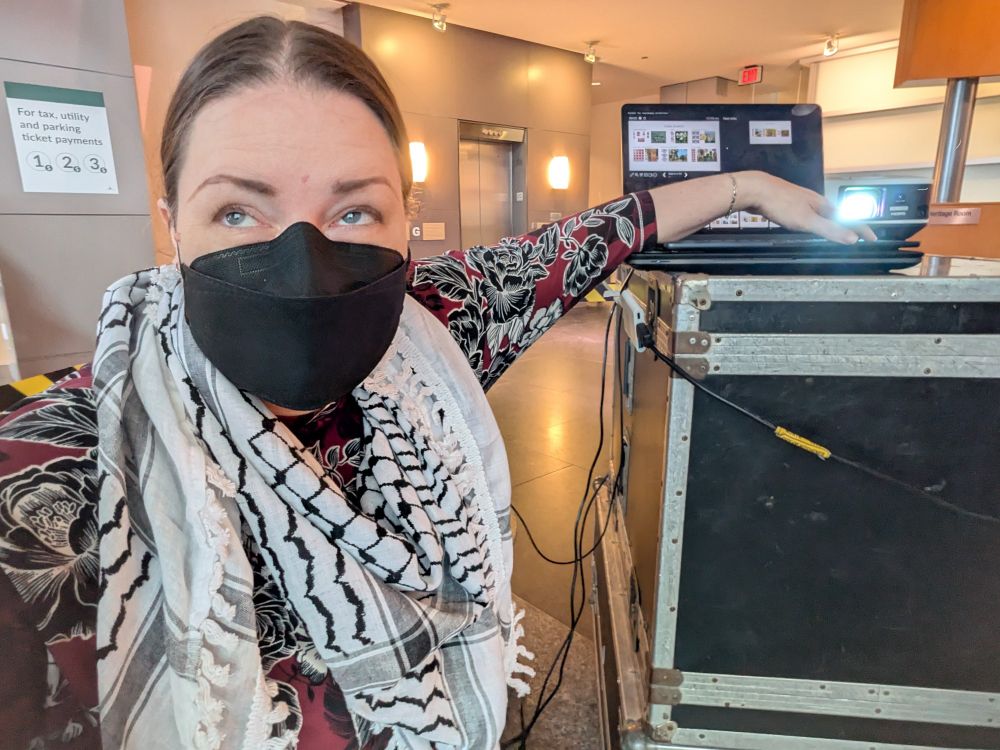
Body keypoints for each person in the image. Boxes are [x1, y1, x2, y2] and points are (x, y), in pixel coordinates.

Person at [0, 16, 871, 750]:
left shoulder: (427, 329)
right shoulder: (57, 477)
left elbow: (574, 247)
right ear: (172, 225)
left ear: (402, 221)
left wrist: (744, 186)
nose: (300, 257)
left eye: (354, 211)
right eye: (237, 210)